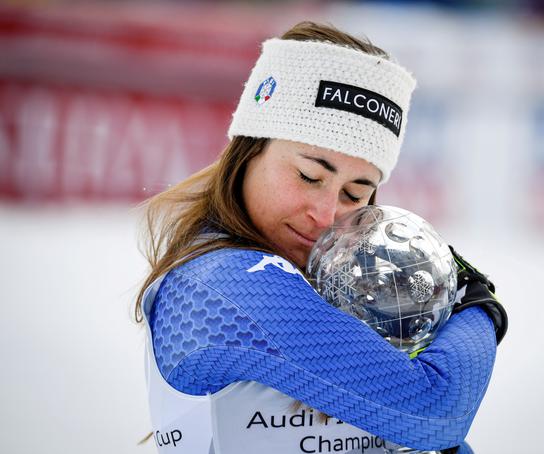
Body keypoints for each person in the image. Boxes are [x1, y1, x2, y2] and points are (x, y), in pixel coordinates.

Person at [135, 21, 507, 454]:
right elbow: (437, 412)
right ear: (249, 150)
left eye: (355, 192)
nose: (326, 214)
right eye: (309, 176)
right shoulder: (222, 285)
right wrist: (474, 300)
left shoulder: (332, 279)